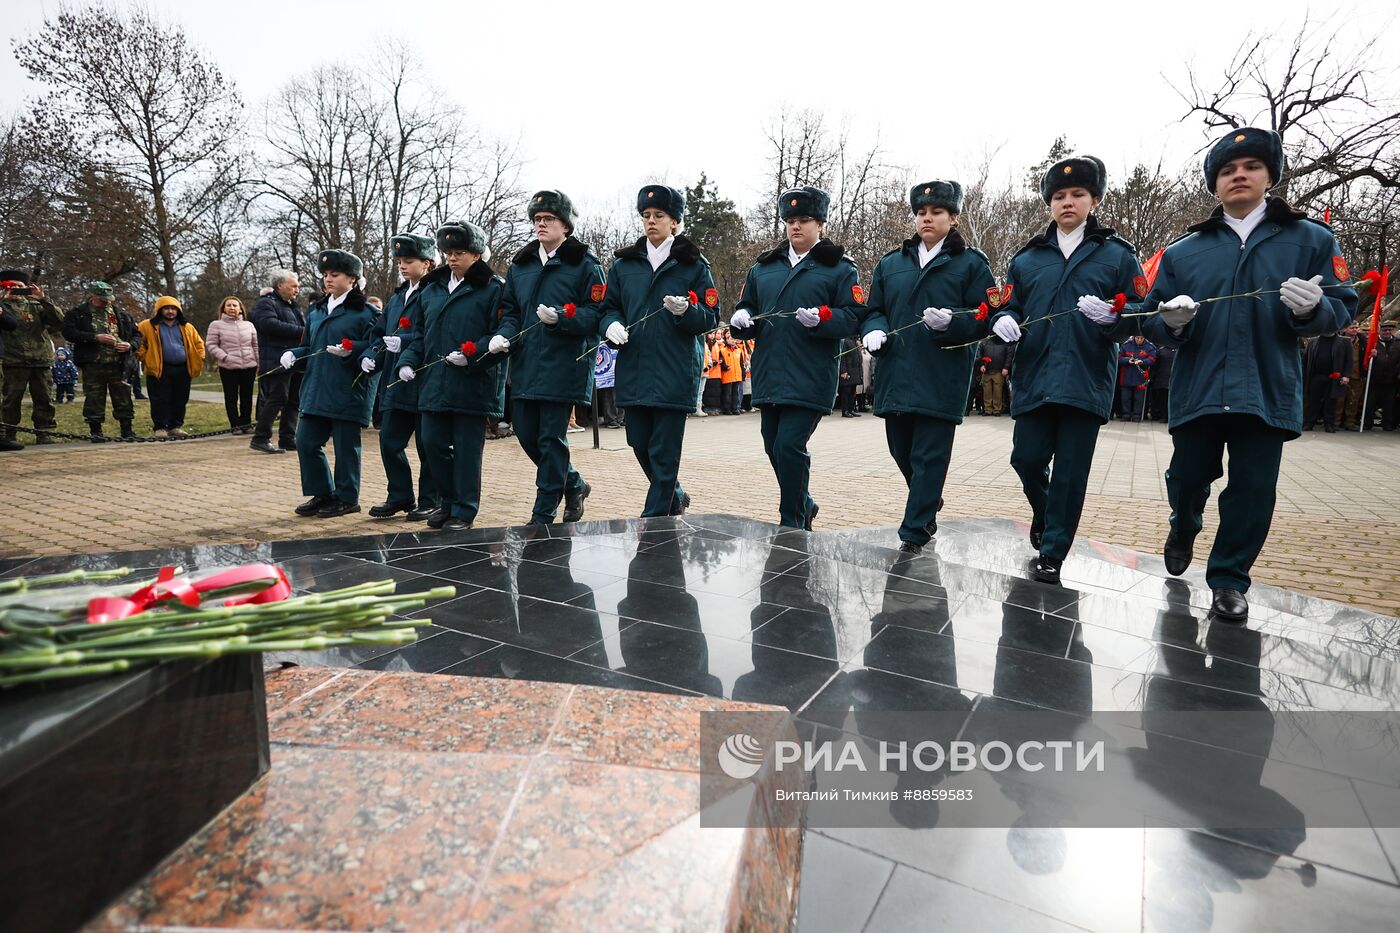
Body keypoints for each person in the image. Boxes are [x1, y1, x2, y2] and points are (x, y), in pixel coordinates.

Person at [1143, 127, 1356, 623]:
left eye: (1251, 167)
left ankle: (1229, 579)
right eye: (1226, 170)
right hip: (1198, 385)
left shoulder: (1310, 239)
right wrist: (1168, 323)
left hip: (1266, 385)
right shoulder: (1184, 251)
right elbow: (1149, 315)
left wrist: (1315, 310)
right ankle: (1184, 522)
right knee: (1187, 475)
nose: (1238, 175)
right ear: (1214, 184)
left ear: (1269, 177)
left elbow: (1343, 307)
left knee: (1253, 489)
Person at [989, 155, 1146, 584]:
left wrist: (1117, 316)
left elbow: (1141, 310)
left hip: (1086, 376)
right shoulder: (1028, 258)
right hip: (1035, 375)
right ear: (1049, 203)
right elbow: (1010, 304)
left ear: (1094, 199)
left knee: (1071, 473)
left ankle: (1054, 551)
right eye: (1059, 196)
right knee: (1026, 459)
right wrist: (1001, 319)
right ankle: (1044, 513)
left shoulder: (1116, 256)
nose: (1068, 202)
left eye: (1077, 194)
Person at [859, 179, 996, 554]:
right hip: (896, 372)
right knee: (900, 450)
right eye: (921, 213)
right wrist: (874, 330)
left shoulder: (971, 264)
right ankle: (927, 498)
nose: (927, 219)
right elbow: (874, 310)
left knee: (929, 455)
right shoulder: (891, 263)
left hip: (942, 373)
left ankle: (914, 530)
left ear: (954, 217)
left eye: (936, 212)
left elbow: (986, 315)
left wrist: (954, 322)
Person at [729, 185, 864, 529]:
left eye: (804, 219)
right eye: (790, 220)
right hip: (770, 371)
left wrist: (824, 319)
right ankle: (803, 501)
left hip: (811, 373)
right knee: (772, 447)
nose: (795, 227)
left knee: (789, 446)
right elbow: (750, 306)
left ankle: (793, 521)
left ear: (821, 224)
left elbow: (854, 315)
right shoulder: (764, 268)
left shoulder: (839, 268)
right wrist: (742, 317)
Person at [597, 184, 719, 516]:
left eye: (659, 215)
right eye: (646, 215)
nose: (651, 221)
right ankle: (674, 494)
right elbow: (609, 307)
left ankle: (654, 518)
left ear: (675, 222)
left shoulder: (692, 264)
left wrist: (685, 313)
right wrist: (610, 325)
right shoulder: (624, 265)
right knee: (638, 441)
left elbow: (710, 315)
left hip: (674, 366)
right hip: (634, 365)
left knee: (664, 450)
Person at [492, 189, 606, 524]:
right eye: (537, 219)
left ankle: (543, 510)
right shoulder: (521, 266)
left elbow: (598, 313)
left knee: (550, 438)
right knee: (526, 435)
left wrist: (563, 319)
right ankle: (573, 483)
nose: (541, 224)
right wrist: (504, 333)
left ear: (565, 225)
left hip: (564, 363)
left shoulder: (585, 264)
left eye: (549, 219)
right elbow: (510, 310)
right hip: (526, 363)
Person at [398, 220, 506, 531]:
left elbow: (501, 333)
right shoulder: (432, 289)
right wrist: (407, 361)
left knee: (467, 451)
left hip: (472, 383)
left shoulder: (492, 288)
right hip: (434, 382)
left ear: (476, 255)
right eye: (448, 252)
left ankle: (464, 509)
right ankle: (446, 502)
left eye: (460, 252)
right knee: (431, 444)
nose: (452, 258)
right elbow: (419, 332)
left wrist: (474, 353)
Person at [284, 249, 381, 518]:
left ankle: (347, 497)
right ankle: (323, 493)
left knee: (345, 447)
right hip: (316, 388)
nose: (328, 279)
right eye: (325, 274)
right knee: (306, 441)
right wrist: (294, 354)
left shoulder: (366, 313)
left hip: (348, 388)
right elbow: (308, 346)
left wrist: (354, 350)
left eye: (334, 274)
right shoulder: (315, 311)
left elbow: (376, 347)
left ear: (352, 278)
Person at [359, 233, 440, 521]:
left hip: (422, 379)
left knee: (427, 445)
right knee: (390, 441)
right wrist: (371, 355)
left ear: (427, 263)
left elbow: (430, 334)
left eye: (409, 261)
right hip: (395, 382)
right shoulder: (397, 297)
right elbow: (379, 333)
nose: (402, 266)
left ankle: (431, 499)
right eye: (400, 262)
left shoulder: (434, 293)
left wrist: (405, 344)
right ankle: (400, 494)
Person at [62, 281, 141, 441]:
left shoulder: (122, 315)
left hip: (118, 363)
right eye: (103, 299)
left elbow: (137, 335)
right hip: (93, 363)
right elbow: (69, 333)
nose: (107, 302)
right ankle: (96, 431)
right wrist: (94, 337)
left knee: (123, 397)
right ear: (92, 296)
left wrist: (130, 345)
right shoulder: (78, 313)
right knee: (94, 398)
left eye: (109, 299)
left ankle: (127, 430)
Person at [0, 270, 65, 447]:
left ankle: (44, 432)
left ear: (27, 288)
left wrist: (43, 299)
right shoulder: (2, 306)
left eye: (19, 287)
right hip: (13, 360)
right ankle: (8, 433)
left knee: (44, 397)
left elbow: (60, 322)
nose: (15, 290)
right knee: (11, 400)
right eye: (10, 286)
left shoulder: (36, 305)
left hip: (40, 359)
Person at [249, 270, 306, 454]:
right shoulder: (266, 304)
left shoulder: (293, 306)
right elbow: (269, 325)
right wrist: (301, 332)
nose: (297, 289)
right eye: (294, 286)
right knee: (278, 398)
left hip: (295, 360)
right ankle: (261, 437)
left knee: (293, 400)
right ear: (280, 285)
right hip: (276, 360)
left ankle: (288, 438)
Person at [137, 296, 206, 438]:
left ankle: (175, 426)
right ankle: (160, 427)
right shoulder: (146, 326)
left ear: (178, 311)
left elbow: (199, 344)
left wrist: (198, 357)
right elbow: (138, 343)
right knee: (159, 399)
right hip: (159, 369)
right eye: (167, 308)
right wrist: (146, 357)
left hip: (182, 368)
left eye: (173, 309)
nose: (170, 311)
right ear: (159, 310)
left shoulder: (186, 326)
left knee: (180, 399)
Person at [205, 296, 259, 433]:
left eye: (235, 305)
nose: (232, 308)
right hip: (228, 367)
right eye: (229, 305)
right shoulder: (216, 325)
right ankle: (235, 425)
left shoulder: (249, 325)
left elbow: (256, 345)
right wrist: (224, 357)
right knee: (231, 397)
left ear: (240, 309)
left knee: (246, 397)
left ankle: (246, 424)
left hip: (249, 366)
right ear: (223, 308)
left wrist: (258, 362)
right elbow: (211, 345)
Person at [1302, 329, 1352, 433]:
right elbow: (1305, 360)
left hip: (1334, 377)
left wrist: (1346, 376)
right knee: (1313, 401)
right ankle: (1309, 423)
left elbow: (1349, 360)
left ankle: (1329, 424)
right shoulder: (1312, 341)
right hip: (1316, 376)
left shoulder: (1345, 341)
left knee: (1331, 401)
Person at [1367, 319, 1399, 431]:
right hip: (1375, 378)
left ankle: (1387, 425)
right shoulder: (1373, 342)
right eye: (1385, 330)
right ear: (1380, 331)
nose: (1387, 332)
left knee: (1389, 403)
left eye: (1390, 330)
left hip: (1391, 379)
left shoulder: (1397, 342)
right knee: (1370, 402)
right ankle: (1367, 423)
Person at [1117, 335, 1157, 422]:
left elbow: (1153, 359)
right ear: (1134, 337)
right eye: (1137, 338)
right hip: (1126, 376)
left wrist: (1143, 362)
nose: (1139, 340)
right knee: (1125, 398)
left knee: (1139, 399)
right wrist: (1127, 360)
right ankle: (1126, 415)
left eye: (1141, 338)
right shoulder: (1126, 345)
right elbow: (1119, 358)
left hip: (1141, 378)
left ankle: (1137, 416)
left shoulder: (1149, 346)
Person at [1336, 320, 1363, 430]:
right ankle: (1336, 421)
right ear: (1345, 329)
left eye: (1356, 328)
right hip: (1341, 375)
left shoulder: (1363, 341)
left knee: (1353, 400)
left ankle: (1349, 422)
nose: (1355, 330)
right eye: (1352, 328)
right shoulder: (1339, 341)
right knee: (1339, 400)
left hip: (1356, 375)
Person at [979, 335, 1013, 416]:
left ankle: (997, 410)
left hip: (999, 371)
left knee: (998, 391)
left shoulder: (1004, 341)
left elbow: (1009, 355)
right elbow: (979, 353)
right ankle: (987, 410)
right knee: (987, 392)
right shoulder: (985, 341)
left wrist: (1006, 367)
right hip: (986, 371)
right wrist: (981, 365)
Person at [1149, 343, 1174, 422]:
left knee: (1163, 400)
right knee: (1163, 400)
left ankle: (1163, 416)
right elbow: (1155, 366)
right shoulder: (1161, 351)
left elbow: (1155, 367)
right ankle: (1164, 416)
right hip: (1163, 379)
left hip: (1163, 380)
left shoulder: (1161, 351)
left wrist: (1152, 378)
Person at [837, 336, 862, 417]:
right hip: (848, 370)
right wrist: (843, 371)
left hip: (855, 371)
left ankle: (851, 409)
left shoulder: (854, 341)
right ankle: (845, 411)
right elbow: (842, 357)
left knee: (852, 392)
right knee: (846, 392)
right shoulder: (845, 341)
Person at [720, 336, 745, 415]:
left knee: (735, 393)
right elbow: (721, 363)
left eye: (734, 339)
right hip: (727, 375)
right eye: (731, 339)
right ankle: (726, 409)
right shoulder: (722, 350)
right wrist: (725, 367)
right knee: (727, 393)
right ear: (727, 340)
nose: (733, 341)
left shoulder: (739, 351)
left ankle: (735, 408)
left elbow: (741, 364)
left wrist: (742, 374)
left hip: (737, 375)